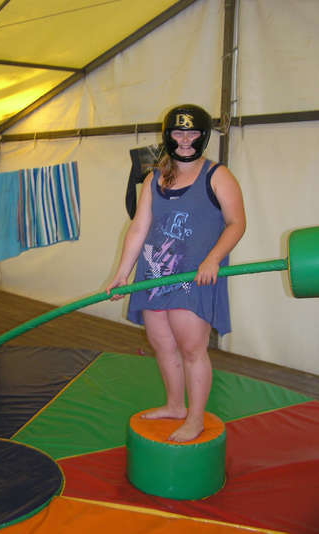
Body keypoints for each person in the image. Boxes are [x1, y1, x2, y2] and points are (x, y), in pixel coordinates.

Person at [107, 104, 246, 442]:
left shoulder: (218, 176)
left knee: (191, 348)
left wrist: (213, 259)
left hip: (193, 277)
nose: (185, 140)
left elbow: (236, 223)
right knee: (162, 344)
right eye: (178, 133)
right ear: (168, 136)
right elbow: (139, 228)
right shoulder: (153, 178)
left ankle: (195, 418)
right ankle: (174, 405)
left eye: (192, 133)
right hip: (155, 273)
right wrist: (123, 274)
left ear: (203, 136)